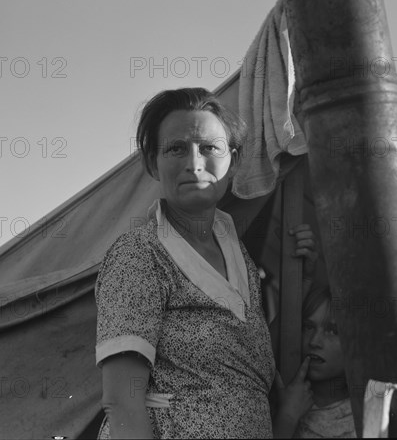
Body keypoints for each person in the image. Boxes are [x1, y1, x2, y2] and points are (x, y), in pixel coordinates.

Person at [95, 87, 316, 439]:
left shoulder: (239, 256)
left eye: (209, 148)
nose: (194, 163)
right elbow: (122, 401)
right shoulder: (140, 254)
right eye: (176, 148)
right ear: (153, 163)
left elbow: (244, 353)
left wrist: (301, 278)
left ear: (234, 159)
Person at [272, 281, 356, 438]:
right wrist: (287, 417)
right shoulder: (273, 402)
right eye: (308, 327)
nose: (314, 341)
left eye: (332, 331)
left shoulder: (369, 411)